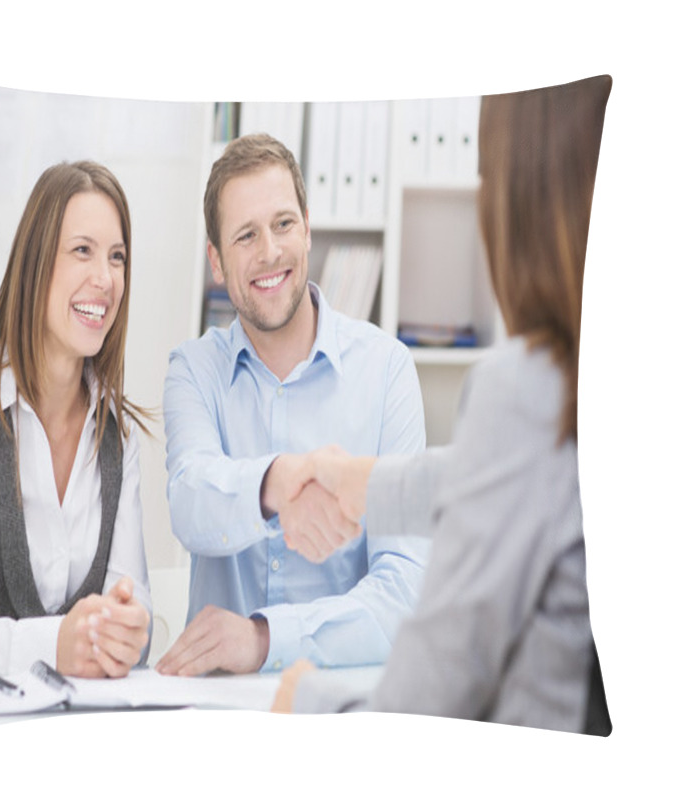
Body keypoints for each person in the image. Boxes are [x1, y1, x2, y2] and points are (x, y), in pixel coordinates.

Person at [272, 75, 613, 735]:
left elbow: (428, 702)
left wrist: (306, 699)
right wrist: (363, 483)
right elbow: (525, 482)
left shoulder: (526, 389)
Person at [156, 134, 427, 677]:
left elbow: (405, 590)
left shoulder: (387, 369)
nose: (270, 252)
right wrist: (279, 481)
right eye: (245, 236)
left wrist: (264, 639)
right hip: (219, 709)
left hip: (341, 704)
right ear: (215, 260)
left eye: (283, 224)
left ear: (307, 227)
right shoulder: (193, 370)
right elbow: (189, 500)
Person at [0, 161, 153, 680]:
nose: (104, 279)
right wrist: (50, 644)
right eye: (82, 250)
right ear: (37, 263)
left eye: (117, 257)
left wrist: (129, 632)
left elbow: (135, 621)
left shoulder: (119, 440)